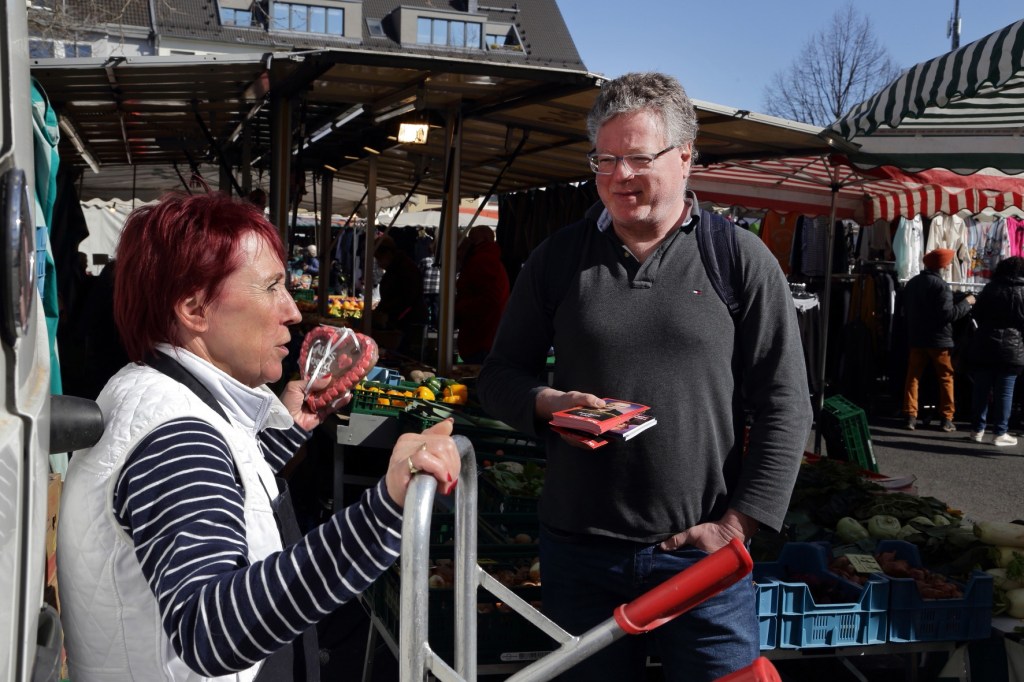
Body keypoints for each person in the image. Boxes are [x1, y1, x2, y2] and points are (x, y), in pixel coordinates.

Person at [476, 72, 811, 682]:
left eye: (637, 157)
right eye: (604, 159)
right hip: (579, 553)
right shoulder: (558, 259)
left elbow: (786, 403)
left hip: (702, 557)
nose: (619, 175)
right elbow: (498, 374)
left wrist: (738, 526)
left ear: (685, 157)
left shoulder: (738, 259)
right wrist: (548, 403)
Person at [57, 192, 460, 682]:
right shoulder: (176, 436)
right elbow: (209, 629)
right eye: (271, 287)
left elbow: (212, 500)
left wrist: (285, 432)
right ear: (194, 309)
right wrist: (385, 509)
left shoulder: (155, 393)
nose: (293, 311)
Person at [902, 248, 975, 431]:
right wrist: (967, 303)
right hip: (939, 341)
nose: (949, 265)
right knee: (946, 378)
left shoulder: (912, 283)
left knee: (913, 378)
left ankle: (910, 416)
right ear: (942, 265)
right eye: (948, 262)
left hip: (917, 338)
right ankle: (946, 417)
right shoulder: (941, 286)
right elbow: (948, 315)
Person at [966, 256, 1024, 446]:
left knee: (981, 389)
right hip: (1012, 346)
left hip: (985, 342)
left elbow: (976, 314)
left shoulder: (990, 288)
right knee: (1005, 392)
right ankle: (1000, 432)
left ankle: (977, 429)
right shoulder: (1022, 291)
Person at [454, 225, 510, 363]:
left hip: (481, 336)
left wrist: (458, 308)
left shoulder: (482, 260)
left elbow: (489, 301)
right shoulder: (489, 259)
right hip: (485, 335)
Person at [373, 234, 428, 353]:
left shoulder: (405, 269)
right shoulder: (396, 267)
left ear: (387, 254)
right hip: (401, 321)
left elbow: (407, 298)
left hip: (408, 322)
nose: (378, 263)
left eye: (378, 258)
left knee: (406, 354)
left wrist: (385, 311)